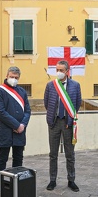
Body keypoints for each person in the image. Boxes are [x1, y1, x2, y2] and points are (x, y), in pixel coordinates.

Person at [44, 60, 81, 192]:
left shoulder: (75, 85)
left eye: (61, 70)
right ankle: (52, 180)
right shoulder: (50, 85)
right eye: (57, 70)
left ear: (67, 71)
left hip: (68, 124)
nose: (58, 72)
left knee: (70, 154)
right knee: (53, 154)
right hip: (54, 123)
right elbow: (46, 103)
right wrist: (52, 118)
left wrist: (70, 119)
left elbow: (77, 104)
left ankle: (71, 180)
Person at [0, 66, 31, 194]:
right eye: (11, 77)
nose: (14, 79)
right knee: (2, 159)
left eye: (16, 78)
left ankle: (17, 186)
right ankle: (1, 187)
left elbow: (27, 110)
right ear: (7, 75)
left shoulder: (22, 91)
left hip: (20, 132)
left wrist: (23, 125)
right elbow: (0, 112)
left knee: (18, 159)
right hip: (5, 130)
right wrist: (16, 125)